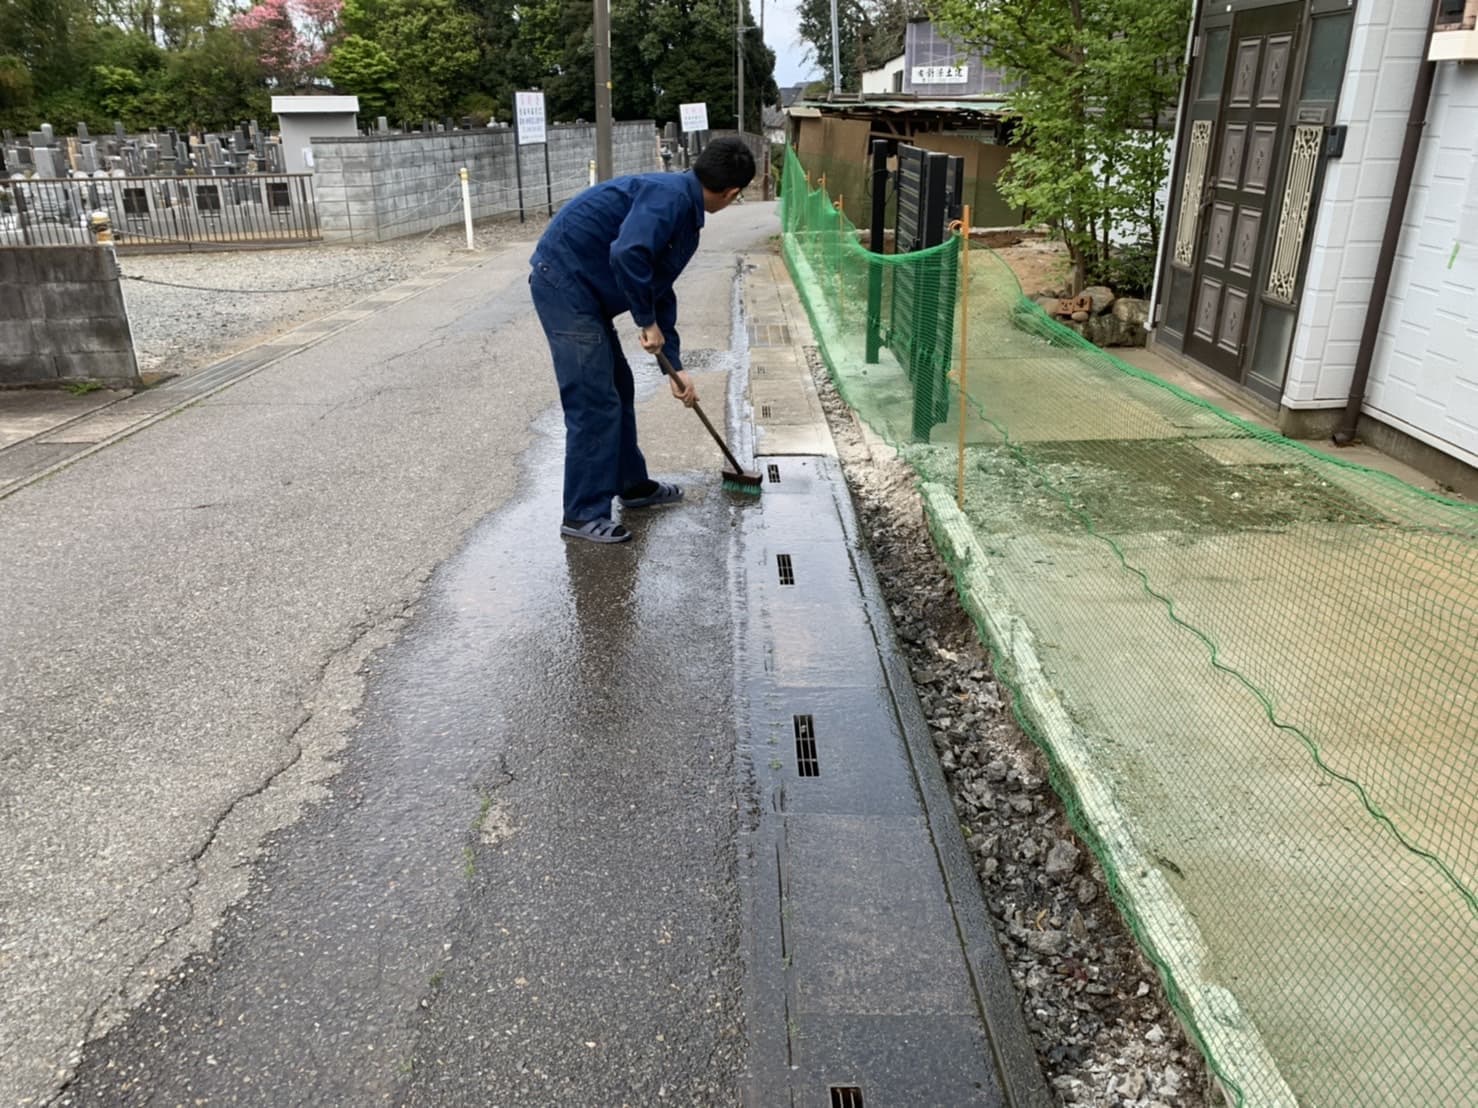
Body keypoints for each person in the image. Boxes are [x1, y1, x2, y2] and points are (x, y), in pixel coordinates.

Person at [529, 136, 756, 544]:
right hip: (563, 283)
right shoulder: (671, 198)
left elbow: (657, 285)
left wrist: (675, 367)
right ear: (732, 192)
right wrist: (645, 321)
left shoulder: (683, 207)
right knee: (594, 399)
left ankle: (631, 486)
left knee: (619, 387)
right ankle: (582, 514)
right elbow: (627, 253)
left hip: (585, 290)